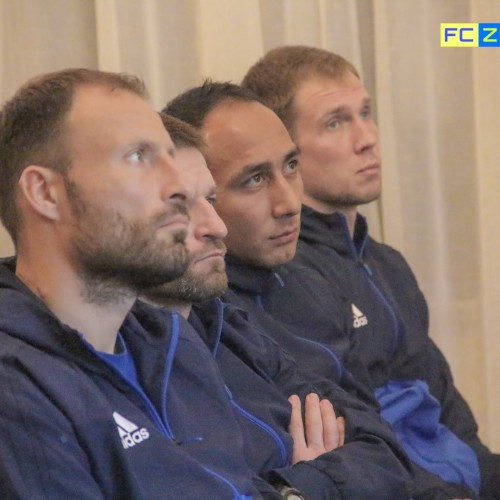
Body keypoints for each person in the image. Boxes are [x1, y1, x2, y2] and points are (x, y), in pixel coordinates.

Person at [164, 80, 492, 499]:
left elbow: (381, 446)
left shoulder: (306, 289)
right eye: (254, 180)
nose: (288, 203)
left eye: (291, 166)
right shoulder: (192, 321)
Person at [0, 68, 277, 498]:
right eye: (137, 157)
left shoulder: (173, 344)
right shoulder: (16, 389)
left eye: (169, 156)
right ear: (45, 193)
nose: (178, 185)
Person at [143, 114, 413, 499]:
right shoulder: (125, 366)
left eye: (211, 200)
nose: (217, 226)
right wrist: (305, 487)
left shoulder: (230, 328)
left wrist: (302, 482)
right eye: (181, 206)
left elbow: (384, 452)